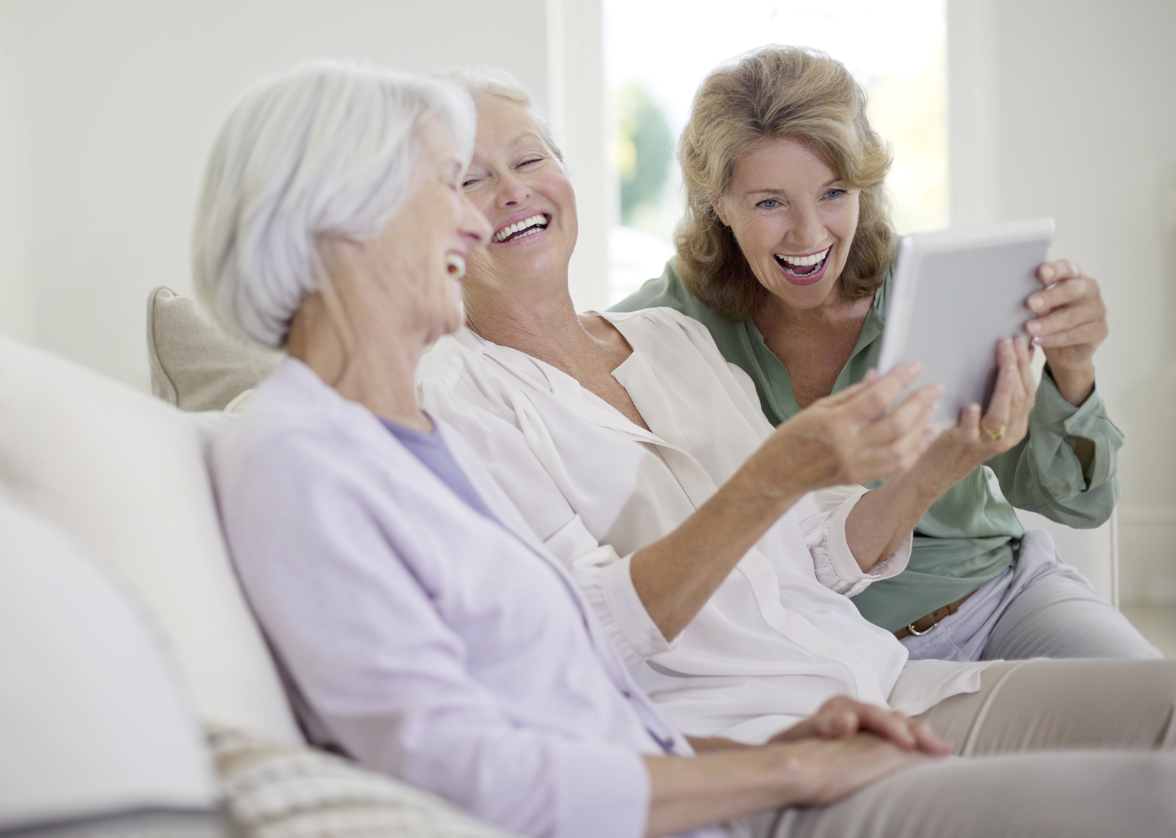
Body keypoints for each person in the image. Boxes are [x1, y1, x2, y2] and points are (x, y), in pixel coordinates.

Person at [199, 60, 1176, 838]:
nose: (478, 209)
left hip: (839, 695)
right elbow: (525, 707)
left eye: (529, 159)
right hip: (758, 757)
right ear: (338, 217)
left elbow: (779, 574)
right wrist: (777, 760)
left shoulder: (615, 359)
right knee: (1150, 800)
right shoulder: (356, 433)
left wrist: (938, 466)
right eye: (450, 181)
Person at [611, 46, 1156, 662]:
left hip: (1000, 600)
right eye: (770, 202)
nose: (810, 233)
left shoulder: (934, 290)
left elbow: (1077, 504)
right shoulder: (662, 325)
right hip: (827, 653)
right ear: (719, 202)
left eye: (834, 193)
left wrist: (1073, 367)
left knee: (1155, 708)